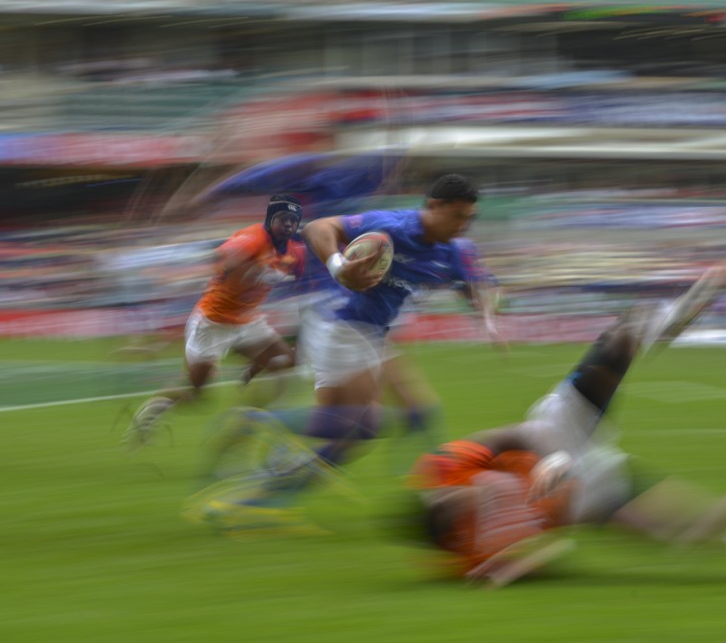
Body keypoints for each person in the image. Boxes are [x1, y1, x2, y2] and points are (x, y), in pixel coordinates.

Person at [395, 263, 726, 587]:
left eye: (464, 499)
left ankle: (664, 321)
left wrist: (547, 458)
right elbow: (545, 554)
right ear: (452, 531)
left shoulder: (443, 471)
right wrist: (514, 569)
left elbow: (501, 437)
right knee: (690, 531)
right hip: (586, 497)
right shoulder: (466, 554)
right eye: (467, 513)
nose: (474, 502)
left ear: (444, 497)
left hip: (554, 435)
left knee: (618, 340)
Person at [187, 174, 504, 529]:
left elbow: (476, 284)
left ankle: (261, 497)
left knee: (353, 431)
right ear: (434, 206)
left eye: (469, 218)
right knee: (363, 425)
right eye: (457, 216)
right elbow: (319, 228)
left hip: (368, 332)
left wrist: (487, 316)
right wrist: (339, 267)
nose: (463, 224)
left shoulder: (456, 248)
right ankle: (259, 426)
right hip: (342, 324)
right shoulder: (392, 227)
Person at [125, 194, 307, 447]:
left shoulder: (295, 252)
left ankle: (246, 422)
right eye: (283, 219)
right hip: (213, 324)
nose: (289, 225)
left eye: (294, 220)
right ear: (269, 219)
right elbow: (223, 256)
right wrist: (235, 266)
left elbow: (306, 281)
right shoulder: (254, 238)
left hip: (247, 320)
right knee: (196, 394)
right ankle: (150, 413)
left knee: (288, 361)